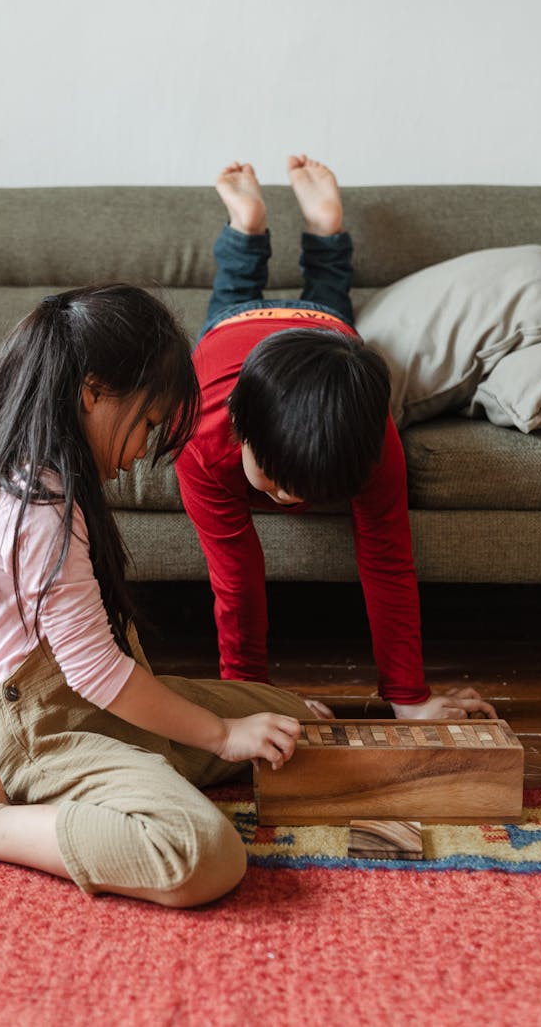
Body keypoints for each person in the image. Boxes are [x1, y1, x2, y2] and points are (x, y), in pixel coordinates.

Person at [0, 283, 315, 908]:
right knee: (199, 854)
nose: (147, 446)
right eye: (148, 422)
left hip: (89, 701)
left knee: (299, 724)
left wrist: (227, 727)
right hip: (37, 729)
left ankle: (144, 768)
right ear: (92, 391)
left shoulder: (43, 468)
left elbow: (96, 672)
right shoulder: (36, 506)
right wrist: (223, 735)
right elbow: (97, 673)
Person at [175, 155, 497, 721]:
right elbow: (235, 577)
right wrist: (251, 697)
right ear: (239, 427)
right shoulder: (201, 440)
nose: (286, 502)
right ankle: (252, 226)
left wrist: (408, 696)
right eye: (273, 482)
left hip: (324, 332)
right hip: (235, 328)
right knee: (233, 295)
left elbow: (388, 558)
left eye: (304, 492)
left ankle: (318, 229)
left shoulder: (372, 440)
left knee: (331, 305)